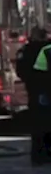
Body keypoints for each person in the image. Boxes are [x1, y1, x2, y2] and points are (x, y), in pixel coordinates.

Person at [25, 28, 51, 164]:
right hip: (43, 93)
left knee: (40, 126)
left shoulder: (44, 51)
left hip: (41, 92)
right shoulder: (45, 50)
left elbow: (38, 74)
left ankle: (39, 156)